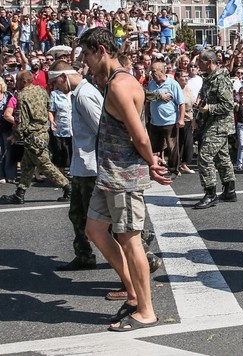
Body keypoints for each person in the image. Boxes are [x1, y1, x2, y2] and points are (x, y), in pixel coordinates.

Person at [79, 28, 167, 332]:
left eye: (88, 54)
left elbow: (139, 135)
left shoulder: (120, 85)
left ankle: (146, 311)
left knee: (131, 242)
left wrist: (152, 162)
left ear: (101, 50)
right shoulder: (115, 81)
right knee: (95, 230)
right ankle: (132, 294)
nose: (85, 61)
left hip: (124, 176)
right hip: (109, 174)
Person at [49, 61, 102, 271]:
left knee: (101, 220)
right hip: (82, 166)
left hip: (91, 167)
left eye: (55, 83)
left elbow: (101, 129)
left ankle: (142, 254)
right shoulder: (79, 94)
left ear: (64, 76)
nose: (55, 88)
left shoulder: (84, 95)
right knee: (78, 215)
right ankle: (84, 255)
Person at [1, 71, 71, 204]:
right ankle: (19, 194)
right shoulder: (42, 90)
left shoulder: (22, 95)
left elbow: (22, 120)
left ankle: (67, 186)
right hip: (42, 132)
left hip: (32, 135)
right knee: (27, 165)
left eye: (18, 81)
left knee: (45, 164)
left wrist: (17, 135)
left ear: (24, 82)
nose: (16, 83)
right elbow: (48, 107)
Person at [192, 50, 237, 210]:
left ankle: (210, 194)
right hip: (212, 123)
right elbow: (203, 97)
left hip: (220, 124)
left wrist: (209, 108)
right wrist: (198, 112)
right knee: (221, 157)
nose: (197, 64)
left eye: (200, 61)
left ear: (208, 61)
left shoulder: (221, 79)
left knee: (204, 156)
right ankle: (229, 190)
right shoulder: (209, 78)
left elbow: (228, 105)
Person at [146, 61, 184, 175]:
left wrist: (181, 119)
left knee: (172, 147)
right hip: (155, 122)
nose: (151, 73)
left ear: (161, 71)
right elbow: (148, 100)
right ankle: (158, 167)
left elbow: (181, 103)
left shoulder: (173, 84)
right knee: (155, 147)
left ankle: (173, 169)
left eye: (153, 71)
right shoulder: (151, 84)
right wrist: (147, 114)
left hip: (170, 121)